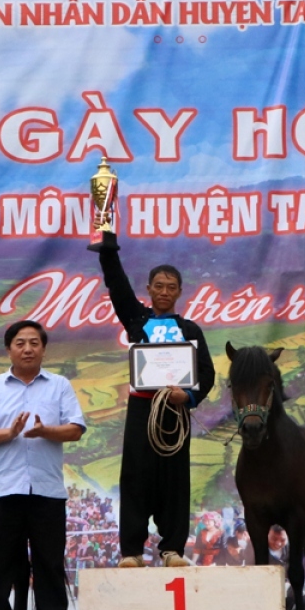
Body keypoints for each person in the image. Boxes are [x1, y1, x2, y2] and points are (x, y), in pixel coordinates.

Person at [97, 232, 216, 568]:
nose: (164, 292)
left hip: (174, 411)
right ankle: (132, 550)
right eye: (158, 286)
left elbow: (206, 374)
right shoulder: (137, 320)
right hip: (141, 409)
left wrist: (188, 395)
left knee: (174, 478)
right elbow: (117, 285)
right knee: (135, 476)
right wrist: (108, 248)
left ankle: (171, 549)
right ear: (148, 289)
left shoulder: (190, 329)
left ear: (179, 293)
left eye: (171, 287)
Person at [0, 320, 86, 610]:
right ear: (9, 349)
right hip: (3, 488)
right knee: (0, 563)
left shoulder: (59, 385)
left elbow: (75, 429)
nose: (28, 349)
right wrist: (8, 433)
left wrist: (45, 431)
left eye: (34, 343)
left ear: (44, 349)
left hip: (46, 490)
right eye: (20, 343)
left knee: (49, 562)